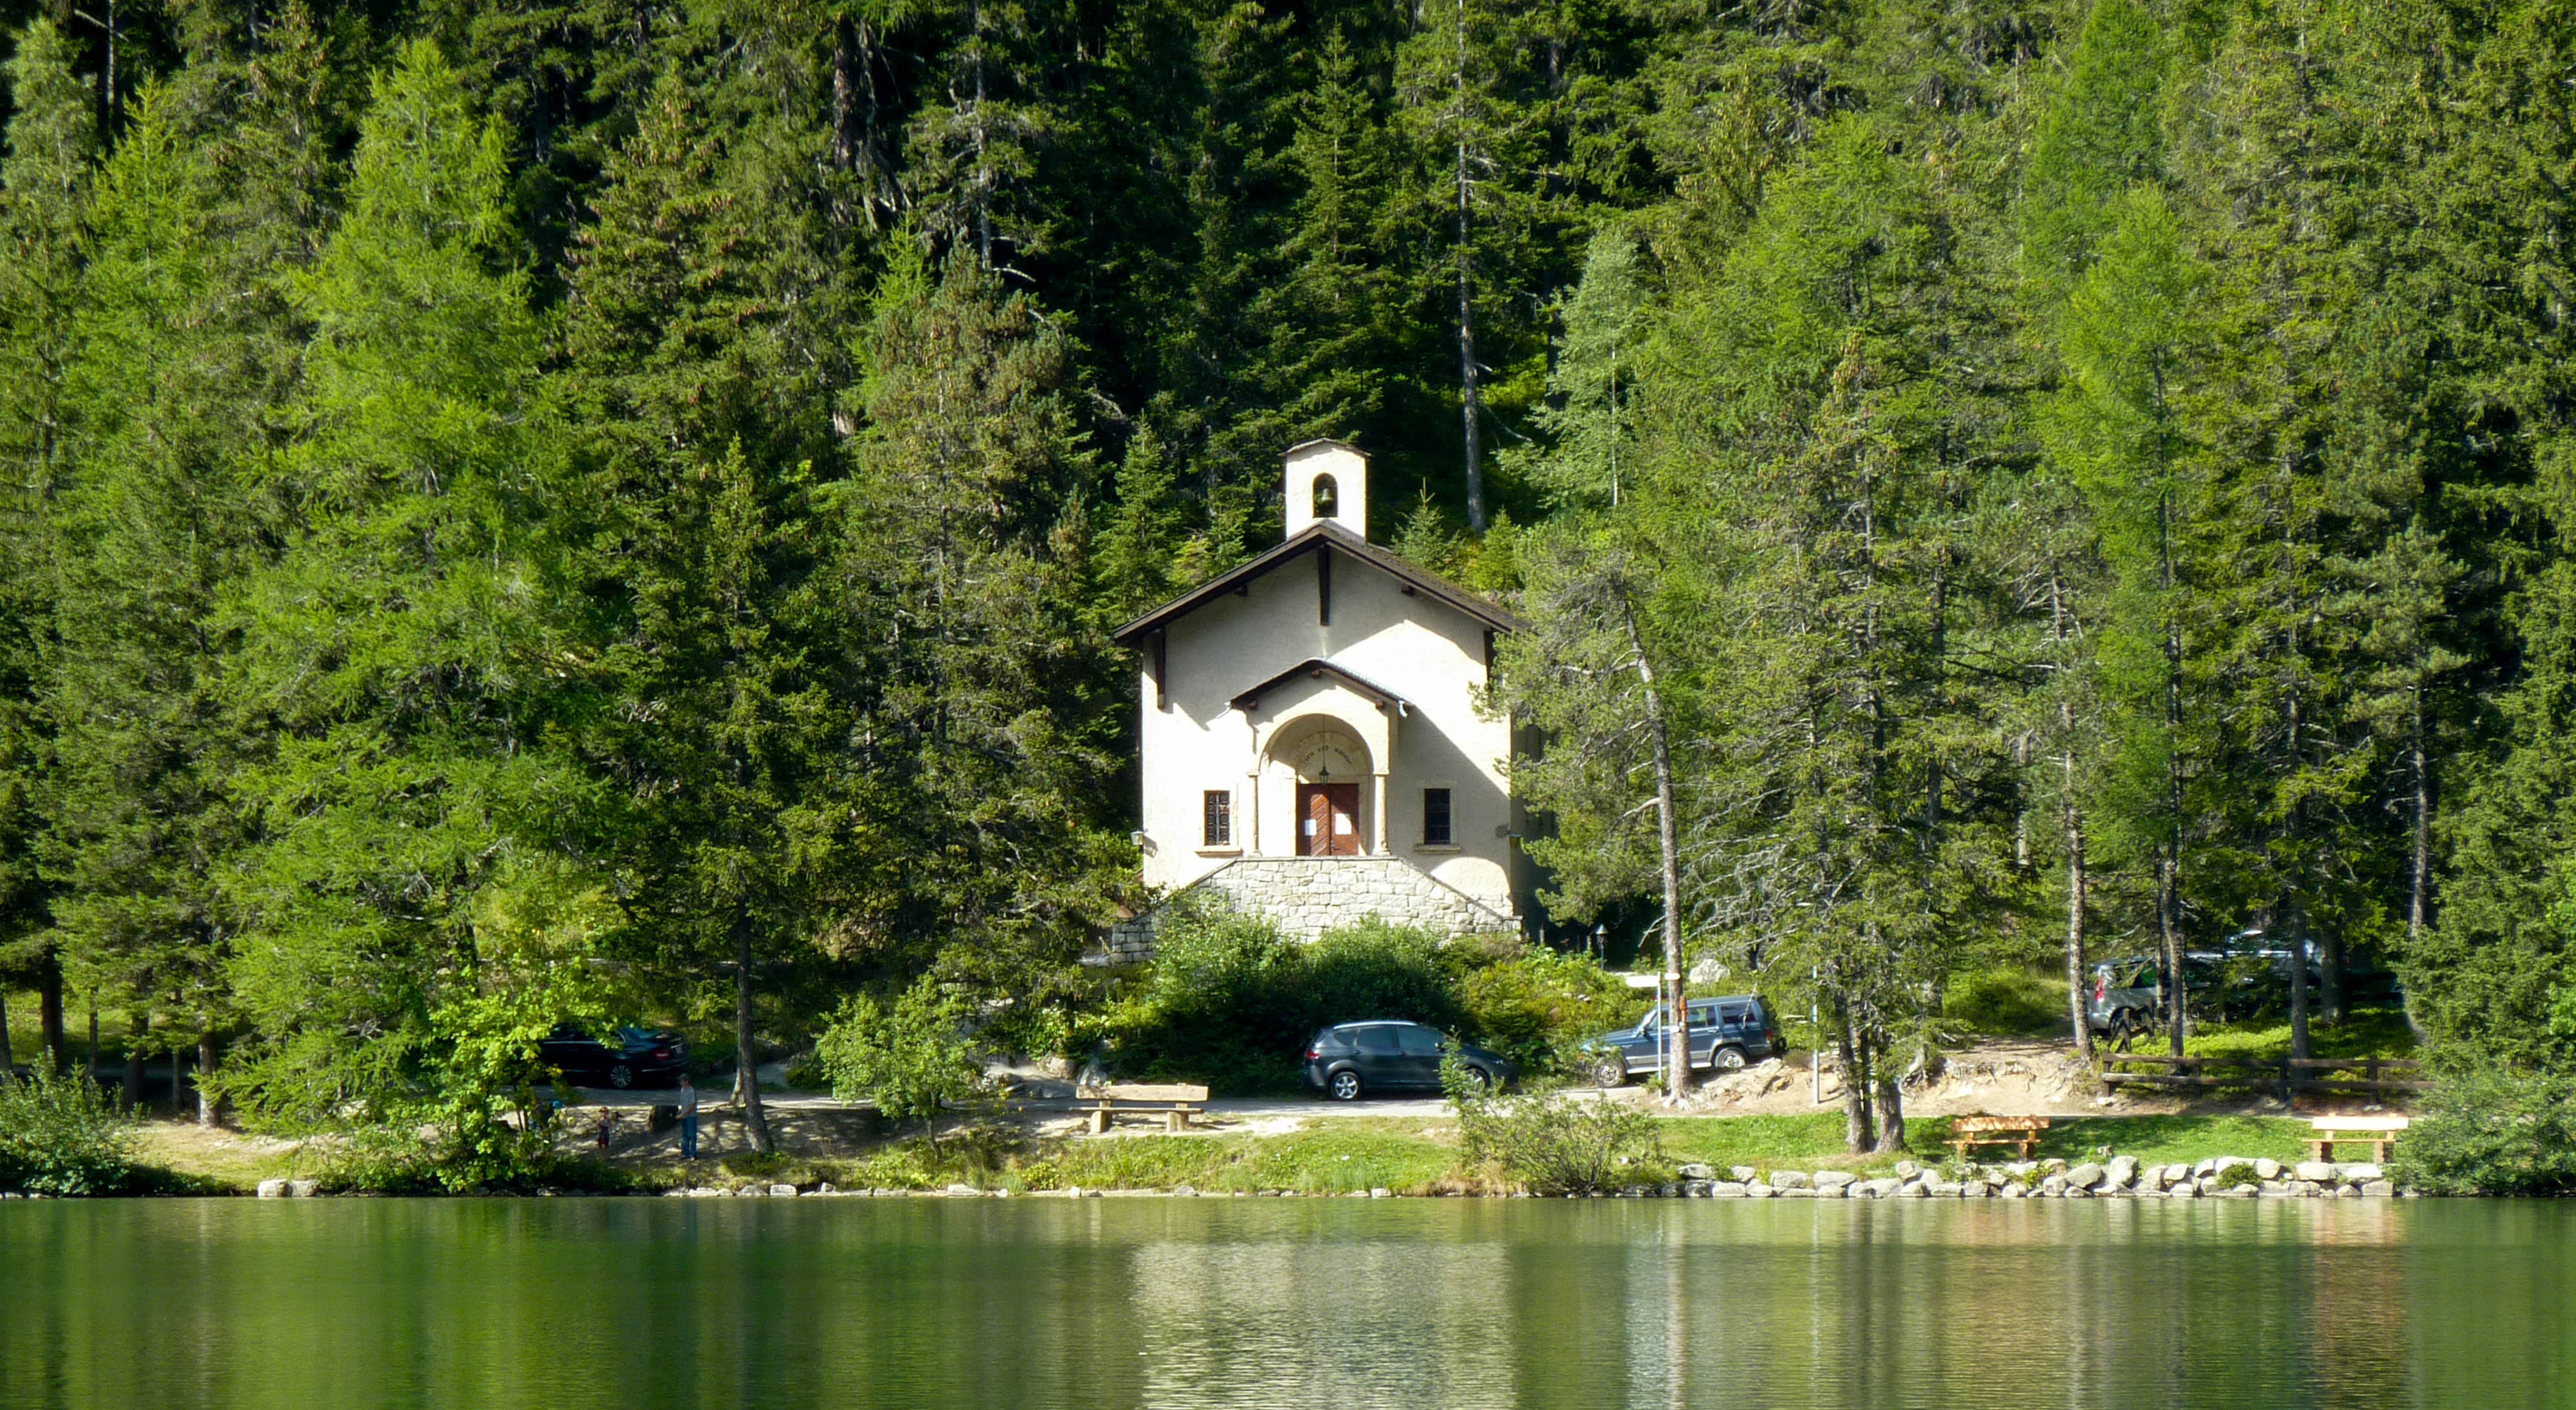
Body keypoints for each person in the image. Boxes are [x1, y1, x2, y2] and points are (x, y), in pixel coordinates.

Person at [677, 1074, 700, 1160]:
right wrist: (680, 1112)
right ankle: (685, 1153)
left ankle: (693, 1154)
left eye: (682, 1081)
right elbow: (683, 1104)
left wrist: (683, 1114)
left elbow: (692, 1106)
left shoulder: (691, 1091)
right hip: (684, 1117)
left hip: (691, 1116)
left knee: (692, 1135)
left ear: (687, 1081)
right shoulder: (682, 1091)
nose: (681, 1083)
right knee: (685, 1136)